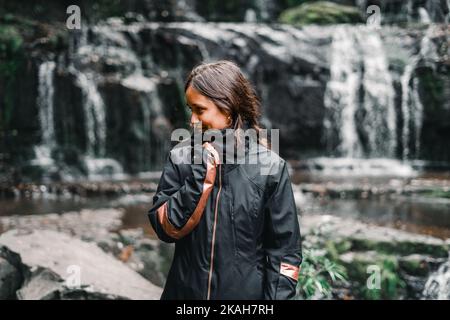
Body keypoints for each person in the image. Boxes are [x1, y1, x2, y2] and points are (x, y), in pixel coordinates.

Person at [147, 60, 302, 300]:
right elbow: (165, 227)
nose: (192, 121)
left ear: (228, 110)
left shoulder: (270, 168)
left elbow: (285, 254)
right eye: (190, 110)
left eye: (200, 110)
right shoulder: (181, 157)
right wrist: (202, 171)